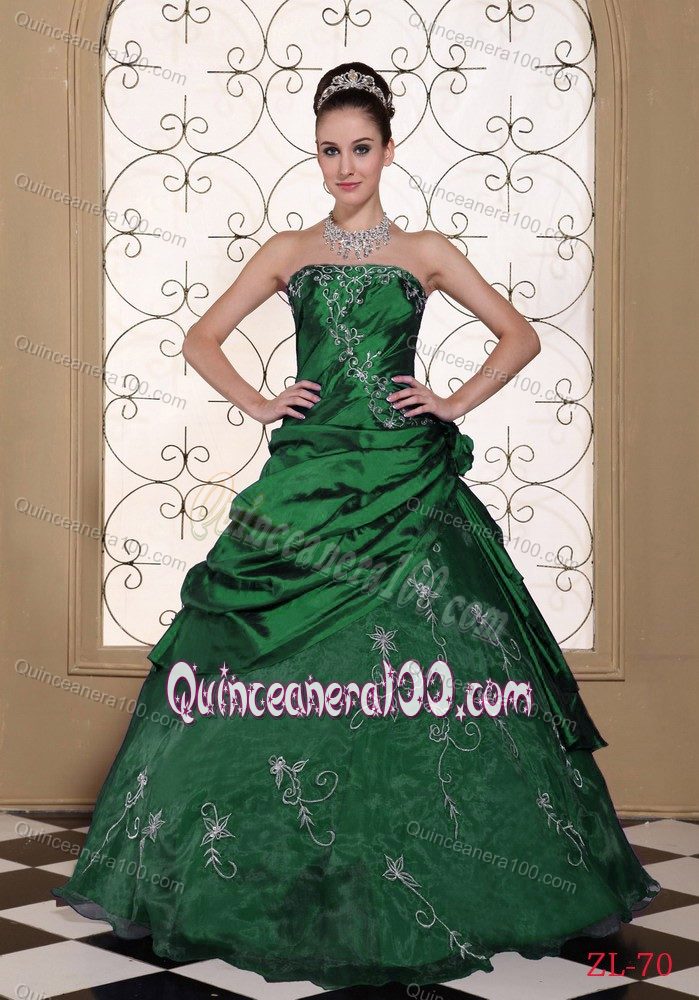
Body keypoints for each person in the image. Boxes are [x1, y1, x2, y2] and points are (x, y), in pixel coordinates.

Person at [52, 61, 661, 991]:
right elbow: (200, 338)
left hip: (407, 481)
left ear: (387, 150)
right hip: (310, 479)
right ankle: (273, 870)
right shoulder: (289, 250)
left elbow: (521, 335)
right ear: (317, 153)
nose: (344, 167)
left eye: (360, 149)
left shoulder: (424, 250)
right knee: (266, 666)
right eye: (330, 150)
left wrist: (449, 400)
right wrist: (262, 402)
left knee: (438, 663)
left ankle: (448, 872)